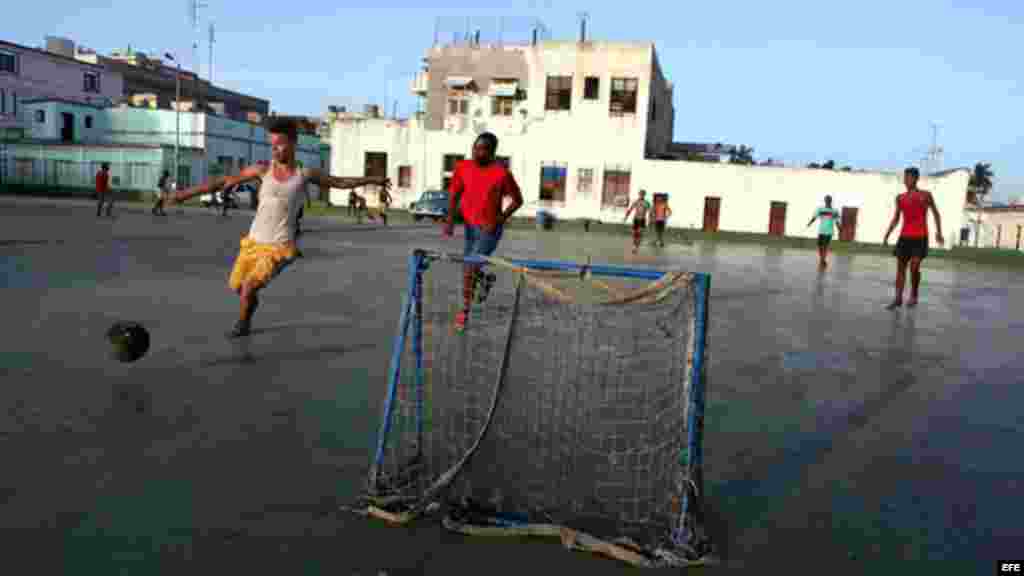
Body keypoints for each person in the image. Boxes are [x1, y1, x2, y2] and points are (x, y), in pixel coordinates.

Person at [166, 117, 391, 338]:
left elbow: (340, 182)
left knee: (249, 287)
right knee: (238, 287)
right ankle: (249, 308)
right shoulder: (262, 170)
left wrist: (373, 179)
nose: (274, 150)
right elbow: (224, 181)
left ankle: (242, 325)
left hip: (279, 247)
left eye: (280, 145)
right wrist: (184, 195)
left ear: (293, 144)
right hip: (253, 243)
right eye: (271, 145)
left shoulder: (304, 175)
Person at [443, 131, 524, 332]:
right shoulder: (463, 167)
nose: (478, 153)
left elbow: (517, 200)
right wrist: (450, 220)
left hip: (489, 230)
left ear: (492, 152)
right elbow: (453, 195)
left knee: (469, 269)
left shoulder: (502, 174)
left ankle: (464, 312)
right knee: (469, 268)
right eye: (475, 148)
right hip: (470, 228)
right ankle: (485, 280)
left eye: (483, 149)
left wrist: (500, 219)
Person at [882, 167, 944, 309]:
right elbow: (896, 218)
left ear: (916, 179)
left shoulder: (926, 195)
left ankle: (914, 294)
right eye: (905, 178)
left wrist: (939, 232)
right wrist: (887, 234)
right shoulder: (900, 198)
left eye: (909, 177)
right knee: (900, 269)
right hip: (904, 238)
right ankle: (897, 298)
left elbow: (936, 214)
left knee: (914, 266)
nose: (906, 180)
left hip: (920, 237)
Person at [807, 195, 842, 270]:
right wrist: (809, 223)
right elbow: (815, 217)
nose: (827, 201)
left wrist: (840, 229)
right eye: (826, 199)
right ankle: (822, 259)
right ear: (825, 200)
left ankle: (822, 260)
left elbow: (837, 221)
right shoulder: (820, 209)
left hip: (829, 231)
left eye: (829, 199)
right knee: (820, 245)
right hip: (821, 230)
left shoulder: (835, 211)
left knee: (825, 246)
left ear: (831, 201)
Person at [623, 189, 652, 254]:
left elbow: (650, 212)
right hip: (636, 219)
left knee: (639, 233)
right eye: (640, 194)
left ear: (644, 195)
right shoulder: (636, 202)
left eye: (642, 194)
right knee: (634, 234)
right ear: (639, 194)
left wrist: (650, 221)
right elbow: (630, 209)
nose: (641, 195)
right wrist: (625, 217)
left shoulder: (647, 203)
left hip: (642, 220)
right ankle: (634, 246)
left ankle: (636, 247)